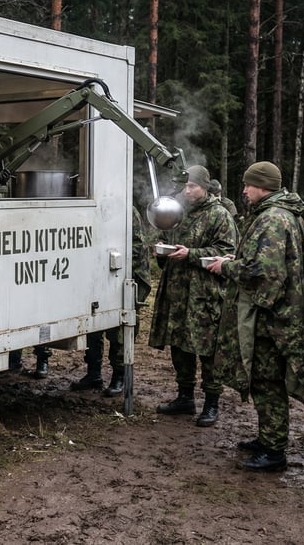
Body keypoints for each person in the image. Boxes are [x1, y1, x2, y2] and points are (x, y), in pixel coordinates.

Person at [208, 161, 304, 472]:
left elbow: (266, 271)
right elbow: (268, 260)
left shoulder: (273, 218)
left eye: (249, 185)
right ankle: (267, 438)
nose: (245, 191)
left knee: (267, 381)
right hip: (275, 313)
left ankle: (274, 450)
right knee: (264, 380)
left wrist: (227, 267)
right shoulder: (279, 214)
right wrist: (239, 258)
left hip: (270, 317)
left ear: (262, 186)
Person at [148, 165, 238, 426]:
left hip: (205, 295)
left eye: (192, 186)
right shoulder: (178, 212)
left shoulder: (219, 215)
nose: (186, 191)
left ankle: (211, 404)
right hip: (177, 292)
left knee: (208, 350)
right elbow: (167, 238)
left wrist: (192, 254)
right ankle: (185, 397)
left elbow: (228, 252)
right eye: (185, 186)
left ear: (205, 187)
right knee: (179, 345)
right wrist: (162, 252)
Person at [71, 206, 152, 395]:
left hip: (126, 275)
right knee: (93, 323)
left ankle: (120, 377)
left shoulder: (126, 210)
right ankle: (93, 374)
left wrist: (104, 258)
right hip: (99, 275)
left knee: (119, 329)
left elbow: (136, 248)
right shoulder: (93, 208)